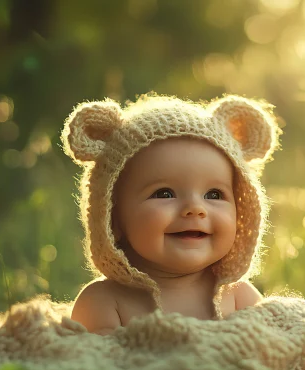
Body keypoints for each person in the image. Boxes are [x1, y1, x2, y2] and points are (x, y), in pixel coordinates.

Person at [61, 94, 281, 335]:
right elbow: (92, 366)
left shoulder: (238, 297)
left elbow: (275, 355)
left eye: (214, 195)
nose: (195, 208)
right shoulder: (104, 302)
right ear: (113, 218)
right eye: (164, 194)